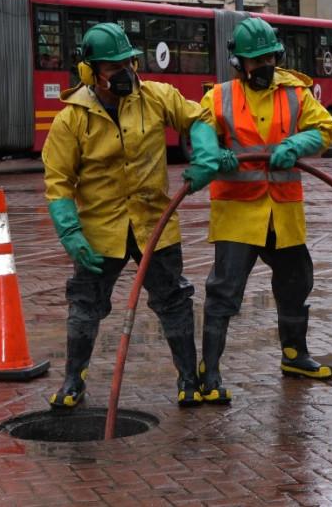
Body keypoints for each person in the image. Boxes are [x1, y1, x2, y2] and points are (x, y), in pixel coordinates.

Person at [42, 23, 220, 409]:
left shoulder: (157, 97)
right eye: (113, 67)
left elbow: (200, 118)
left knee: (173, 300)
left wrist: (206, 156)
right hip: (98, 234)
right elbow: (58, 182)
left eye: (128, 62)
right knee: (85, 306)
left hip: (155, 225)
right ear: (90, 72)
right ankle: (74, 381)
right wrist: (70, 232)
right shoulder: (71, 120)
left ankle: (189, 379)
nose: (125, 73)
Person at [188, 18, 332, 405]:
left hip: (282, 214)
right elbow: (200, 130)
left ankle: (294, 356)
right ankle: (211, 371)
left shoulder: (295, 93)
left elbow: (325, 127)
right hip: (239, 214)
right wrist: (208, 154)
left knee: (296, 281)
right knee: (224, 291)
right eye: (254, 60)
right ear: (239, 62)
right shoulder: (217, 98)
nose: (263, 66)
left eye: (268, 57)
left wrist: (299, 142)